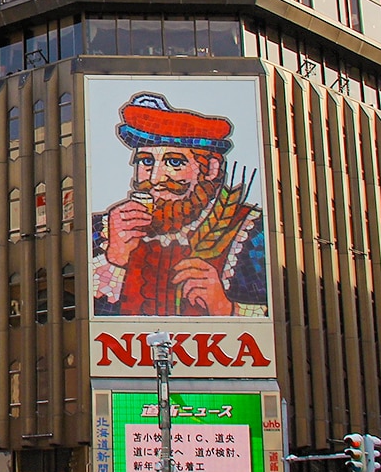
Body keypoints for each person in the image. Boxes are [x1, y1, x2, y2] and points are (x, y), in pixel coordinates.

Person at [91, 93, 266, 318]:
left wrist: (226, 306)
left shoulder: (251, 233)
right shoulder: (101, 230)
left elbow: (285, 318)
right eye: (146, 161)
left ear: (211, 169)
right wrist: (113, 261)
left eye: (174, 162)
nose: (155, 178)